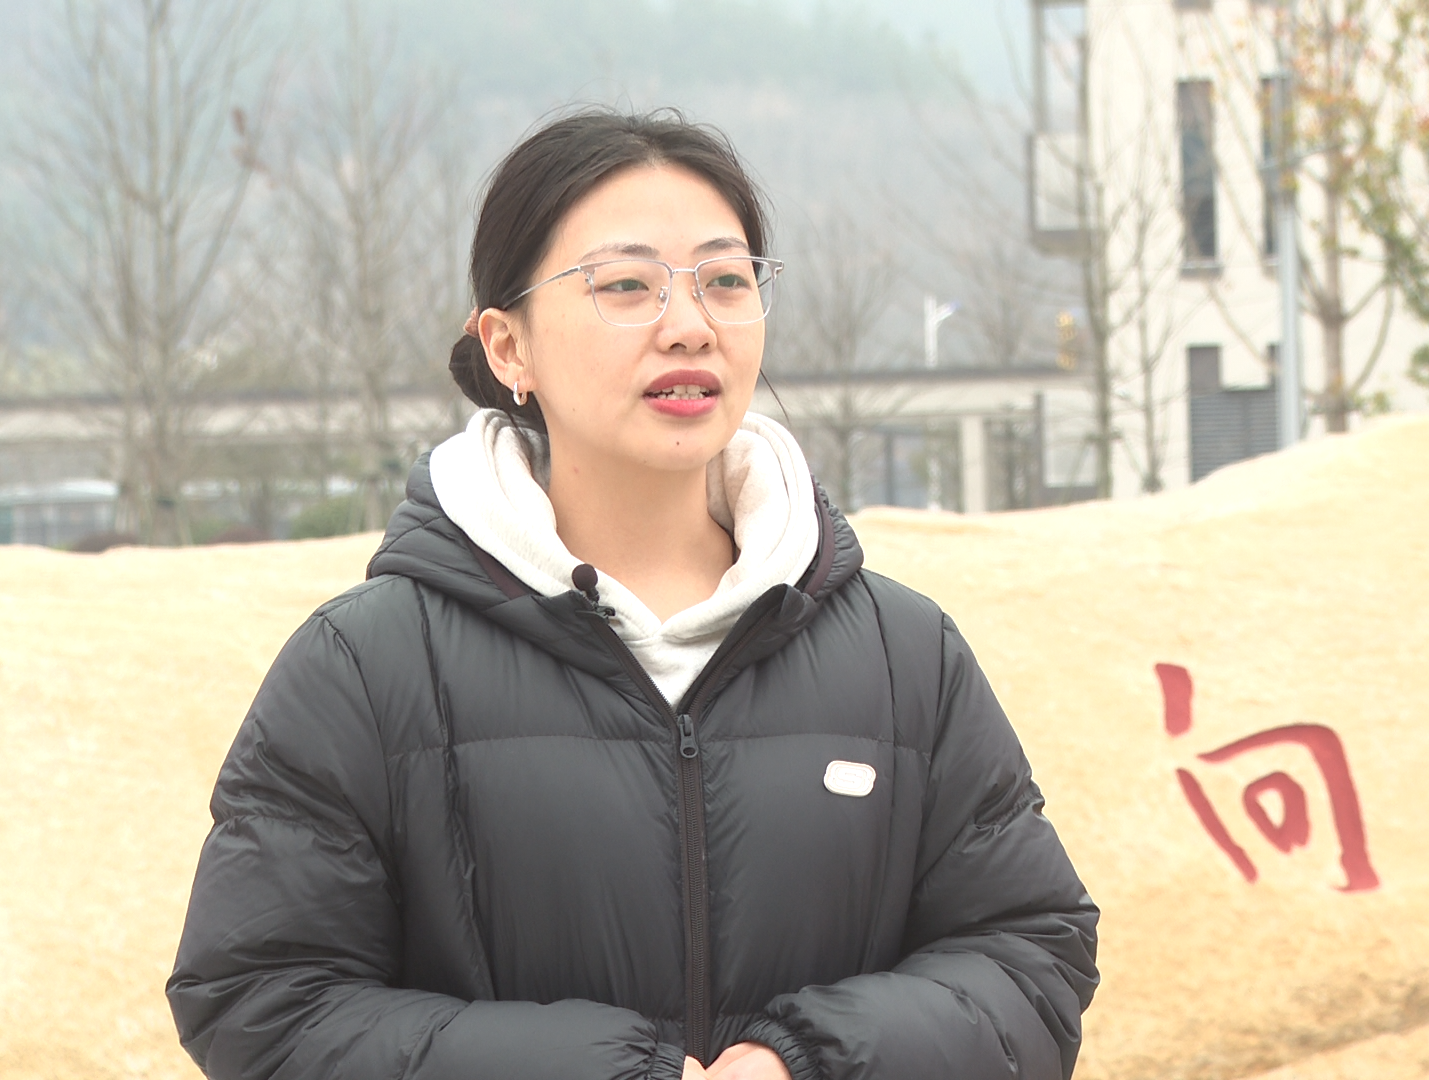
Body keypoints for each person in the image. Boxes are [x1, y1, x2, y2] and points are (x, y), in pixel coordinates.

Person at [167, 108, 1098, 1080]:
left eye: (726, 281)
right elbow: (261, 1002)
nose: (690, 326)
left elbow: (1031, 958)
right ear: (508, 347)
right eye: (625, 285)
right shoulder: (368, 668)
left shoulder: (905, 659)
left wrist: (805, 1063)